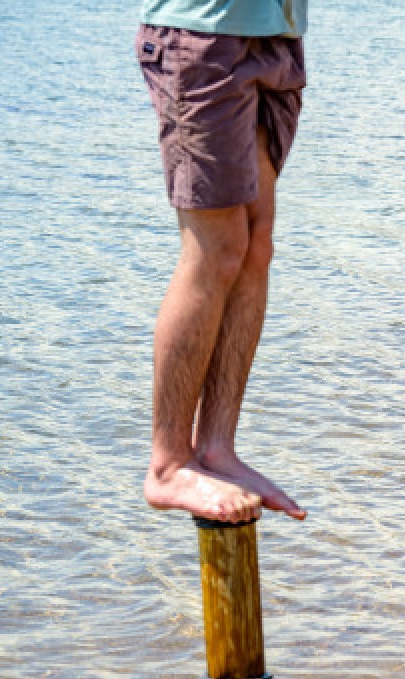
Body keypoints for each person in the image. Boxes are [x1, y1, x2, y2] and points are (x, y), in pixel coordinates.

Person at [136, 0, 310, 524]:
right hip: (202, 35)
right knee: (215, 248)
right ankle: (167, 466)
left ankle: (217, 449)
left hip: (276, 34)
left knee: (255, 246)